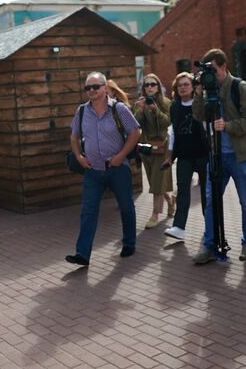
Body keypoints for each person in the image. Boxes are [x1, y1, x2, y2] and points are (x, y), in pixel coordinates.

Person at [191, 48, 246, 263]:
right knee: (211, 201)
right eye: (206, 71)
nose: (210, 75)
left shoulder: (240, 87)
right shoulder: (206, 90)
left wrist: (228, 126)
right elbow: (199, 115)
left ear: (224, 66)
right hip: (216, 155)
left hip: (240, 156)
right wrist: (198, 93)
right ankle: (210, 244)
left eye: (213, 70)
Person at [66, 71, 142, 266]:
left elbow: (135, 132)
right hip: (92, 171)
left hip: (117, 169)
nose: (91, 91)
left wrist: (121, 156)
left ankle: (129, 243)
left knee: (126, 206)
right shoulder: (82, 111)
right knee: (88, 211)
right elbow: (74, 137)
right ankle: (82, 254)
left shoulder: (119, 109)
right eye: (88, 88)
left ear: (105, 88)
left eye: (95, 87)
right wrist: (79, 157)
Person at [163, 72, 209, 241]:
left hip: (203, 155)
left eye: (186, 84)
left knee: (207, 193)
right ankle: (179, 227)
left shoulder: (200, 103)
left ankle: (210, 228)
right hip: (184, 157)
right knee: (182, 192)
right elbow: (173, 132)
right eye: (179, 85)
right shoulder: (174, 106)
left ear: (193, 86)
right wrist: (170, 155)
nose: (182, 87)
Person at [132, 73, 174, 228]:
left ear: (158, 87)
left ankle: (155, 215)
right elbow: (136, 123)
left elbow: (168, 122)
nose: (149, 87)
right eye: (146, 85)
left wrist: (156, 111)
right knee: (155, 182)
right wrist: (141, 110)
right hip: (146, 147)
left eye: (153, 84)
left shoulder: (166, 102)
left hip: (162, 146)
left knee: (157, 182)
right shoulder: (139, 103)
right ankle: (170, 201)